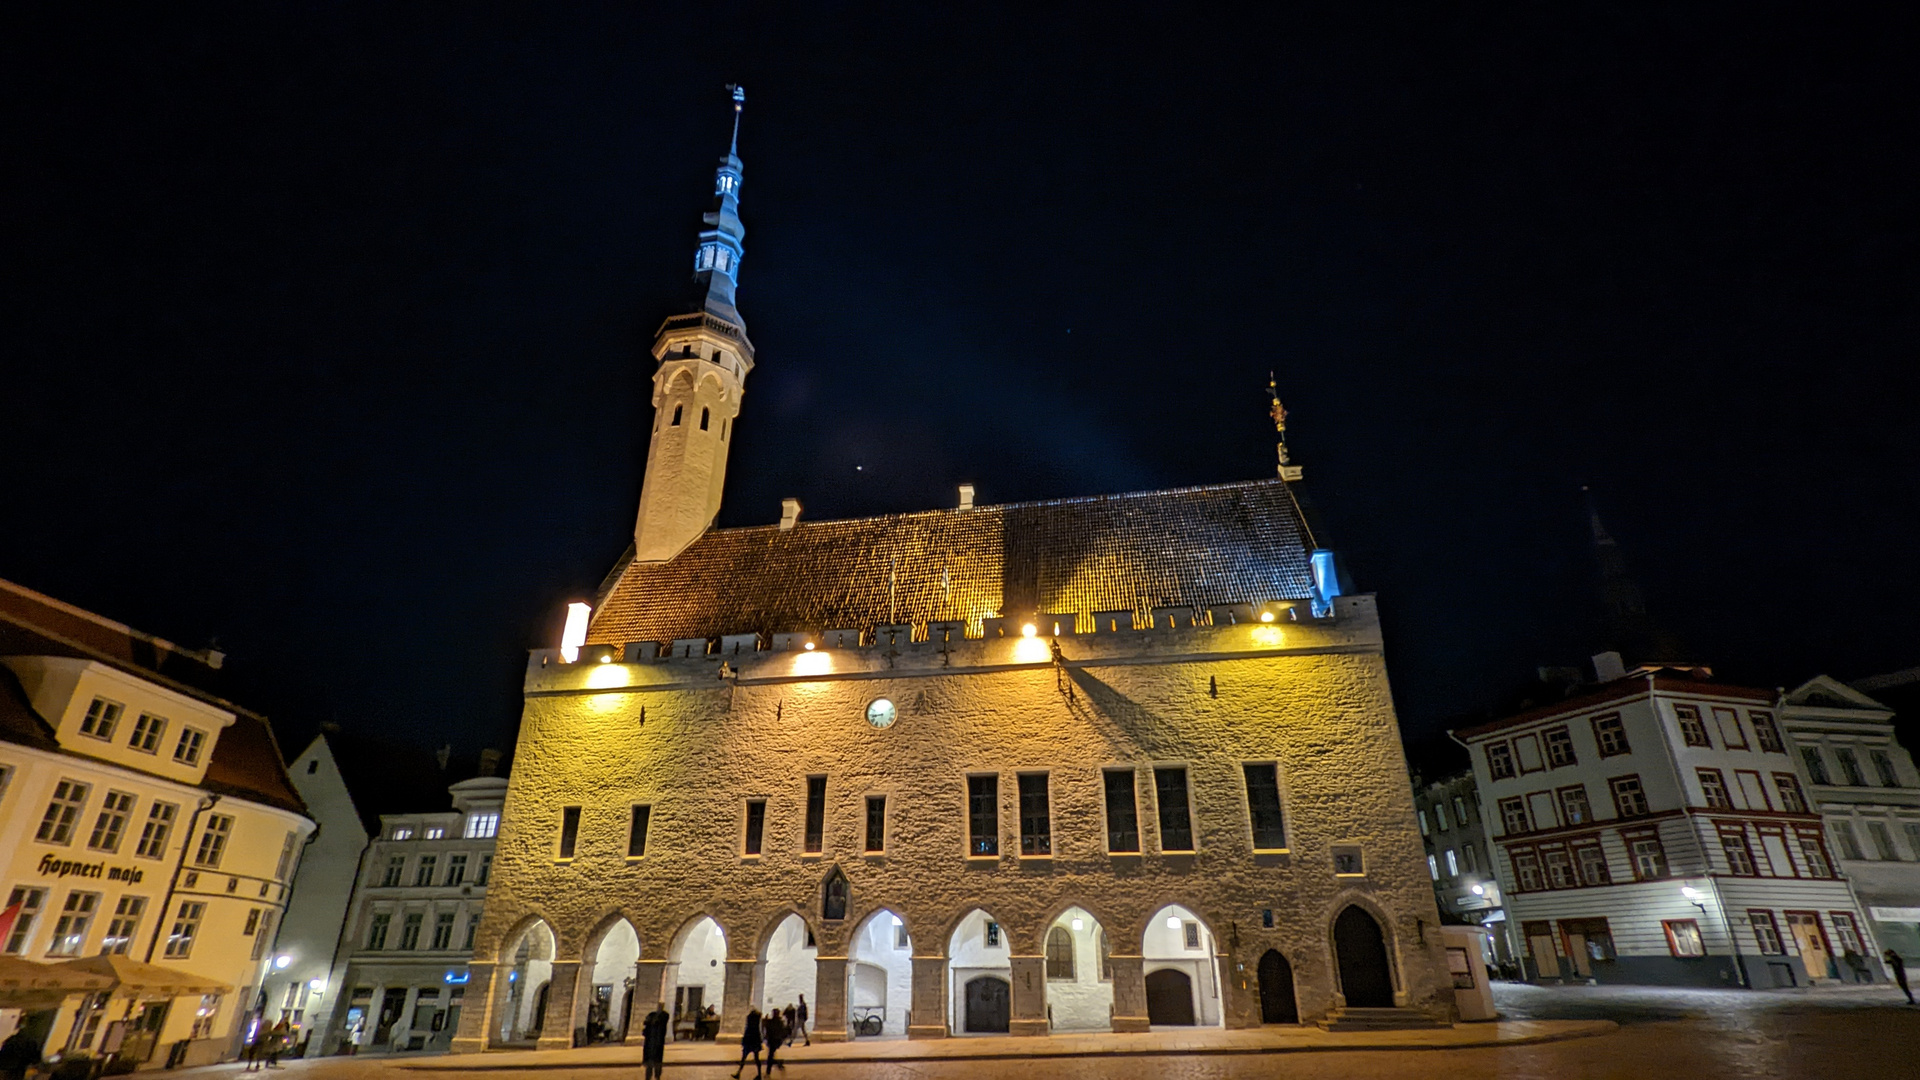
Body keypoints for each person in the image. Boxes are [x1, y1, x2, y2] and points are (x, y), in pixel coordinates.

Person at [730, 1008, 762, 1079]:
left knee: (744, 1058)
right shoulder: (757, 1022)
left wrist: (744, 1041)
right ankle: (759, 1074)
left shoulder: (750, 1024)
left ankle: (738, 1073)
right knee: (756, 1059)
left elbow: (747, 1032)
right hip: (755, 1041)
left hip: (749, 1042)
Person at [641, 1002, 669, 1080]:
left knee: (657, 1061)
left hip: (657, 1042)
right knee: (650, 1062)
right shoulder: (652, 1017)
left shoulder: (663, 1016)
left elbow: (663, 1020)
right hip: (651, 1043)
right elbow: (645, 1025)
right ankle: (648, 1076)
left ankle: (657, 1075)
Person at [761, 1008, 785, 1073]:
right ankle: (778, 1063)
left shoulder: (776, 1022)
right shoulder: (778, 1022)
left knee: (770, 1055)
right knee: (771, 1055)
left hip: (774, 1040)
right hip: (773, 1040)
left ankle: (769, 1070)